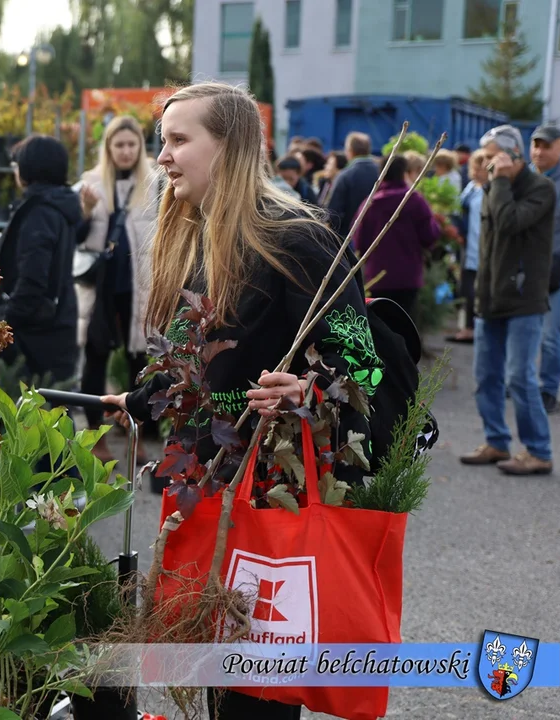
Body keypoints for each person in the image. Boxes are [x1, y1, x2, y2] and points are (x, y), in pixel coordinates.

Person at [99, 82, 383, 720]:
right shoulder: (203, 234)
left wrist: (309, 387)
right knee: (221, 672)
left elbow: (364, 362)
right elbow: (193, 361)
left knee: (259, 684)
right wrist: (139, 401)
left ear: (227, 148)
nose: (162, 157)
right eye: (161, 141)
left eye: (178, 140)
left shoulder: (296, 238)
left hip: (267, 489)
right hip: (207, 482)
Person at [461, 124, 556, 475]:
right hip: (490, 299)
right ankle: (497, 442)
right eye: (483, 157)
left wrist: (498, 182)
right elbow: (486, 247)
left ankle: (539, 451)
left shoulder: (541, 188)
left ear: (511, 155)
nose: (485, 164)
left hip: (524, 300)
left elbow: (508, 223)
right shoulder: (492, 187)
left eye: (491, 157)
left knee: (519, 377)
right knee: (486, 375)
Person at [75, 116, 157, 462]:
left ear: (140, 146)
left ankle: (136, 432)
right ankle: (96, 435)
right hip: (101, 288)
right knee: (96, 358)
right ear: (108, 148)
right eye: (118, 144)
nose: (125, 151)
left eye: (131, 144)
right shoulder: (90, 183)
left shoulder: (155, 182)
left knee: (140, 360)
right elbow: (76, 238)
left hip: (139, 287)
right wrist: (86, 209)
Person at [0, 135, 81, 384]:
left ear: (28, 168)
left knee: (37, 413)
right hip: (57, 323)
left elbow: (33, 278)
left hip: (35, 336)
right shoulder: (61, 205)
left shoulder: (39, 213)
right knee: (57, 412)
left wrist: (5, 322)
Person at [352, 155, 440, 323]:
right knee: (404, 327)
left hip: (377, 276)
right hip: (408, 276)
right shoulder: (414, 201)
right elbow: (430, 236)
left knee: (379, 328)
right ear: (404, 173)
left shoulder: (370, 204)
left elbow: (358, 242)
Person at [531, 124, 560, 413]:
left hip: (556, 268)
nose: (539, 151)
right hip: (526, 268)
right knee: (525, 330)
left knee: (550, 335)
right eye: (536, 145)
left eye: (546, 145)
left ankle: (549, 389)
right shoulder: (526, 178)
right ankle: (526, 383)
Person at [448, 149, 490, 344]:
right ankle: (467, 328)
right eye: (474, 167)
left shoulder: (487, 191)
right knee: (466, 289)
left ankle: (475, 329)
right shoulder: (472, 188)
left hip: (481, 247)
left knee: (477, 291)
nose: (475, 171)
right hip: (468, 248)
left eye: (479, 168)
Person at [325, 131, 377, 238]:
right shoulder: (382, 173)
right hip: (378, 236)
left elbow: (333, 213)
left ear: (350, 151)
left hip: (349, 237)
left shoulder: (344, 176)